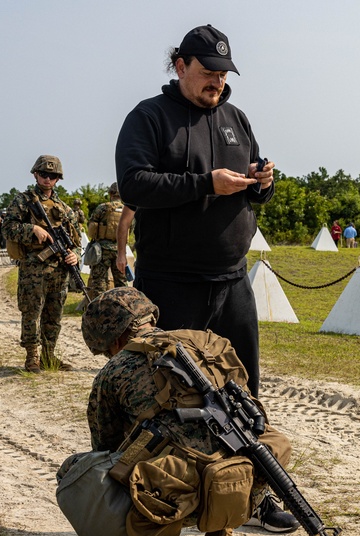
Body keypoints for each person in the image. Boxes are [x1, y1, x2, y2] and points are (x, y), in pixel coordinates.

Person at [81, 287, 296, 536]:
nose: (108, 357)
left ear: (113, 339)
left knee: (113, 471)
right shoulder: (206, 343)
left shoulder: (113, 372)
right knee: (223, 447)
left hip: (179, 500)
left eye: (105, 350)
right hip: (242, 487)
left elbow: (105, 450)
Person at [115, 24, 274, 399]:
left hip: (233, 283)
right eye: (208, 72)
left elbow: (253, 194)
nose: (216, 82)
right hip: (171, 285)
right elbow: (134, 184)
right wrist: (205, 183)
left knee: (243, 392)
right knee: (173, 396)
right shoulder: (149, 117)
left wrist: (263, 182)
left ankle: (243, 460)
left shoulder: (236, 119)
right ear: (180, 66)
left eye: (222, 74)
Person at [2, 155, 81, 373]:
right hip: (33, 267)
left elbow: (76, 241)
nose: (47, 179)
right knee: (31, 312)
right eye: (44, 174)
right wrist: (32, 229)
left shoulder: (64, 208)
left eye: (52, 176)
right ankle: (32, 357)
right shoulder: (23, 201)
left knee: (54, 314)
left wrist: (75, 256)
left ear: (58, 179)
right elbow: (7, 228)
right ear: (35, 174)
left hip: (59, 269)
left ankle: (49, 356)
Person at [85, 183, 129, 301]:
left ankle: (100, 309)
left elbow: (91, 228)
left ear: (110, 193)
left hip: (102, 250)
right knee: (121, 283)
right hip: (120, 250)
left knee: (99, 282)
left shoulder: (102, 208)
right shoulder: (127, 209)